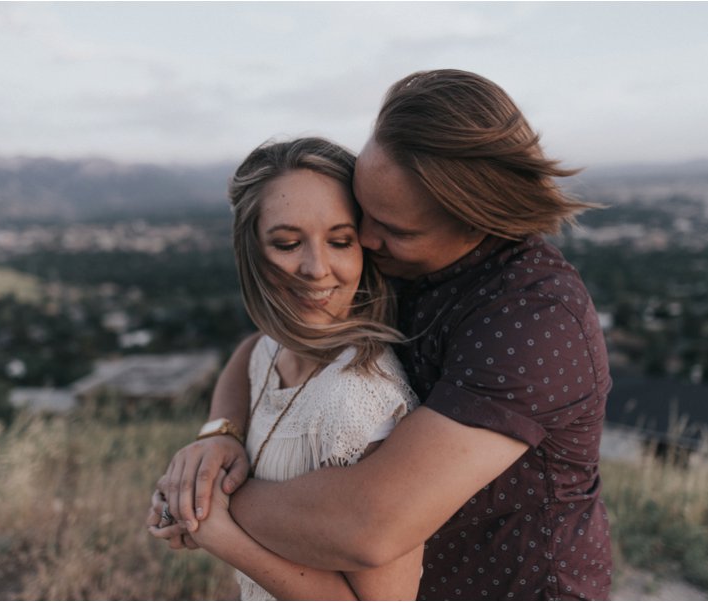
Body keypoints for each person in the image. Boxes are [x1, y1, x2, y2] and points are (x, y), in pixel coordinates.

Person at [152, 69, 613, 600]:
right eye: (364, 214)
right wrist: (220, 435)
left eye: (393, 228)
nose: (367, 241)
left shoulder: (532, 321)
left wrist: (201, 502)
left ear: (475, 221)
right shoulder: (404, 264)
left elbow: (368, 524)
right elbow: (260, 347)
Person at [148, 137, 422, 600]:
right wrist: (220, 434)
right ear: (251, 251)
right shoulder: (274, 350)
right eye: (288, 243)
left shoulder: (358, 403)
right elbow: (251, 351)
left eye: (340, 241)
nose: (317, 268)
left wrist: (215, 528)